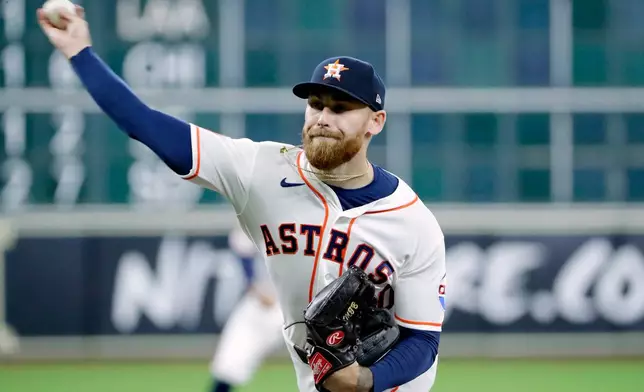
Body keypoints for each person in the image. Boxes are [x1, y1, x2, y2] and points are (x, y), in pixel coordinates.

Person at [38, 7, 447, 392]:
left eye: (340, 108)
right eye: (315, 104)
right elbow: (145, 124)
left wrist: (364, 380)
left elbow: (423, 340)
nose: (323, 117)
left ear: (376, 121)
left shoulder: (411, 222)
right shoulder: (260, 170)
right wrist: (79, 52)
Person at [209, 226, 284, 392]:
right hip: (262, 304)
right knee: (228, 365)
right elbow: (242, 248)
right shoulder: (250, 220)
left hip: (301, 303)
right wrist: (256, 287)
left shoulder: (304, 216)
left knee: (323, 366)